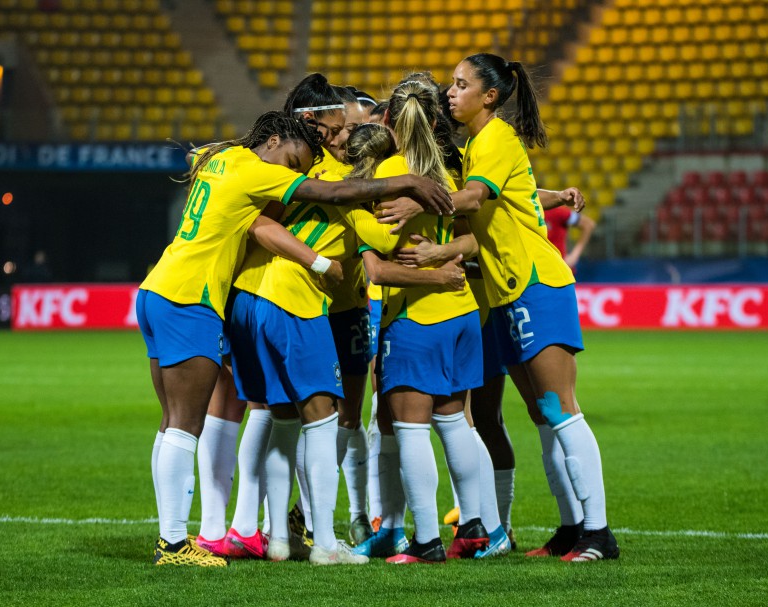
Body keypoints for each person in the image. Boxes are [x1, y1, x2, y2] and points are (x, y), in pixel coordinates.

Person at [139, 110, 453, 567]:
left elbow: (268, 216)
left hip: (161, 287)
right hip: (201, 297)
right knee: (215, 423)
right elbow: (336, 196)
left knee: (178, 422)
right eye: (291, 159)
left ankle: (235, 535)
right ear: (274, 137)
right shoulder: (257, 170)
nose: (292, 173)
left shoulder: (222, 158)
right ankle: (179, 543)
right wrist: (406, 188)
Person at [439, 53, 618, 562]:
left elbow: (474, 200)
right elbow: (515, 196)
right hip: (507, 291)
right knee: (543, 416)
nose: (451, 92)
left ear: (489, 95)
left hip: (536, 284)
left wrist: (414, 200)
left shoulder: (494, 137)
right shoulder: (480, 144)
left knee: (561, 411)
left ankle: (599, 534)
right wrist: (556, 195)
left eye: (460, 84)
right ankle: (570, 529)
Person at [351, 79, 495, 565]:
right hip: (462, 313)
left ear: (389, 121)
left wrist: (350, 212)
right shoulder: (447, 176)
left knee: (410, 430)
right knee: (455, 423)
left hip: (416, 318)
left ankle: (427, 540)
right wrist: (444, 262)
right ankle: (475, 528)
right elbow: (475, 242)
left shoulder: (388, 175)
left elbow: (378, 255)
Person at [544, 205, 597, 270]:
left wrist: (574, 256)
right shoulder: (530, 212)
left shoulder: (558, 211)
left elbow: (588, 224)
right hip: (535, 270)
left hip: (558, 271)